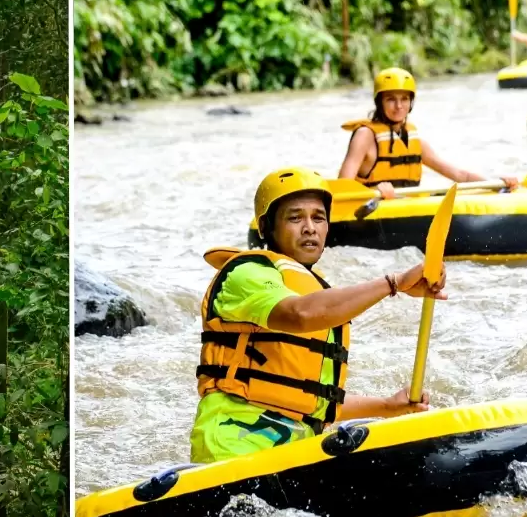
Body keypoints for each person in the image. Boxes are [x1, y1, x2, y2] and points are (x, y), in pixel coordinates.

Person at [190, 167, 446, 464]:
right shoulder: (246, 273)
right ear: (265, 227)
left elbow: (313, 401)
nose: (310, 228)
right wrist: (394, 283)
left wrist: (388, 407)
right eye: (295, 218)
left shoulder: (320, 294)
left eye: (319, 218)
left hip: (293, 452)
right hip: (232, 449)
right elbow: (299, 314)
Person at [338, 67, 518, 201]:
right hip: (370, 209)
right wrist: (374, 191)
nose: (399, 106)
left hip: (404, 208)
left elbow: (460, 175)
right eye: (391, 99)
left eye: (404, 99)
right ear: (379, 102)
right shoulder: (365, 135)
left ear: (411, 102)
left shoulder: (413, 141)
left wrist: (496, 185)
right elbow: (342, 187)